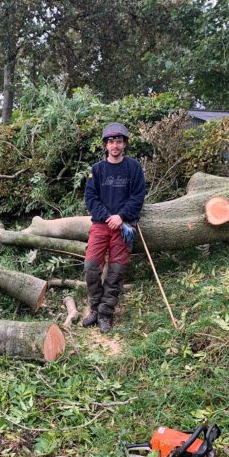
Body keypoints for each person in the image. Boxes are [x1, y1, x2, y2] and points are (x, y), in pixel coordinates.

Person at [83, 122, 145, 333]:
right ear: (106, 145)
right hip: (101, 225)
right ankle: (94, 307)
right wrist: (108, 217)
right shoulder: (97, 170)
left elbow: (138, 196)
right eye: (111, 141)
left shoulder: (133, 168)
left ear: (124, 144)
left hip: (124, 227)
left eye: (119, 141)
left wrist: (121, 216)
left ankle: (106, 313)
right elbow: (91, 198)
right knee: (90, 267)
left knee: (116, 272)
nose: (115, 145)